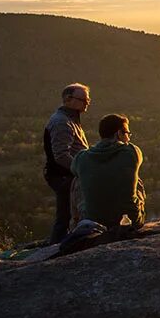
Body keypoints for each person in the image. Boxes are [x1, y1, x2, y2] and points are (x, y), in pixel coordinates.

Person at [71, 113, 145, 231]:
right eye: (127, 133)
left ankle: (77, 224)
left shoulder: (82, 157)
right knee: (137, 179)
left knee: (77, 180)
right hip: (130, 221)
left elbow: (73, 169)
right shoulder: (132, 152)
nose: (129, 137)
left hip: (93, 222)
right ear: (118, 134)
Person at [43, 83, 91, 243]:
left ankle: (58, 247)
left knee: (67, 215)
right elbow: (61, 155)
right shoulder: (62, 122)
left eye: (88, 99)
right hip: (64, 176)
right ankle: (55, 250)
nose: (87, 102)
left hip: (67, 175)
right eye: (83, 99)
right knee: (65, 216)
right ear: (68, 99)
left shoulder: (70, 119)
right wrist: (81, 170)